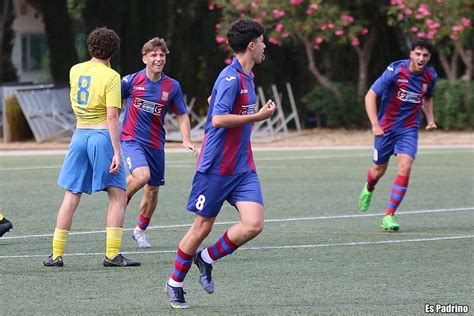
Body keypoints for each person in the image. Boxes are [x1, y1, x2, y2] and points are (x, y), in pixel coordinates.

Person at [165, 19, 276, 309]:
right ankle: (175, 283)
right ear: (251, 46)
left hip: (243, 168)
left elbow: (218, 103)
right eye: (263, 42)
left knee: (253, 224)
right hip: (215, 168)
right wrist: (257, 117)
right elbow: (218, 119)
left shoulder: (246, 76)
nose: (265, 46)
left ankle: (206, 258)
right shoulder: (231, 78)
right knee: (201, 227)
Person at [43, 27, 140, 267]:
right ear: (114, 51)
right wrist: (117, 151)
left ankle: (55, 255)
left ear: (90, 47)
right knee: (118, 196)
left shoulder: (75, 70)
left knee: (71, 195)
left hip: (79, 136)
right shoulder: (111, 77)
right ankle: (112, 254)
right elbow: (112, 117)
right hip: (101, 136)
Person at [120, 37, 197, 249]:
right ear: (145, 58)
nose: (158, 58)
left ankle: (139, 232)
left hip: (156, 144)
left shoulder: (172, 86)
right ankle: (117, 205)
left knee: (153, 190)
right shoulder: (131, 81)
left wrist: (186, 139)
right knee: (142, 176)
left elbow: (182, 115)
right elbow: (111, 103)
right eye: (154, 54)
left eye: (162, 55)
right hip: (130, 139)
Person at [358, 37, 437, 231]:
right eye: (417, 54)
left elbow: (427, 99)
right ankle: (369, 187)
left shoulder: (430, 76)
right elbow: (371, 95)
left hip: (408, 129)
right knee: (378, 170)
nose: (421, 58)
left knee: (406, 166)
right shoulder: (396, 70)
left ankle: (389, 216)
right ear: (411, 54)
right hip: (385, 129)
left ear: (429, 57)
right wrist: (375, 124)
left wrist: (430, 119)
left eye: (425, 55)